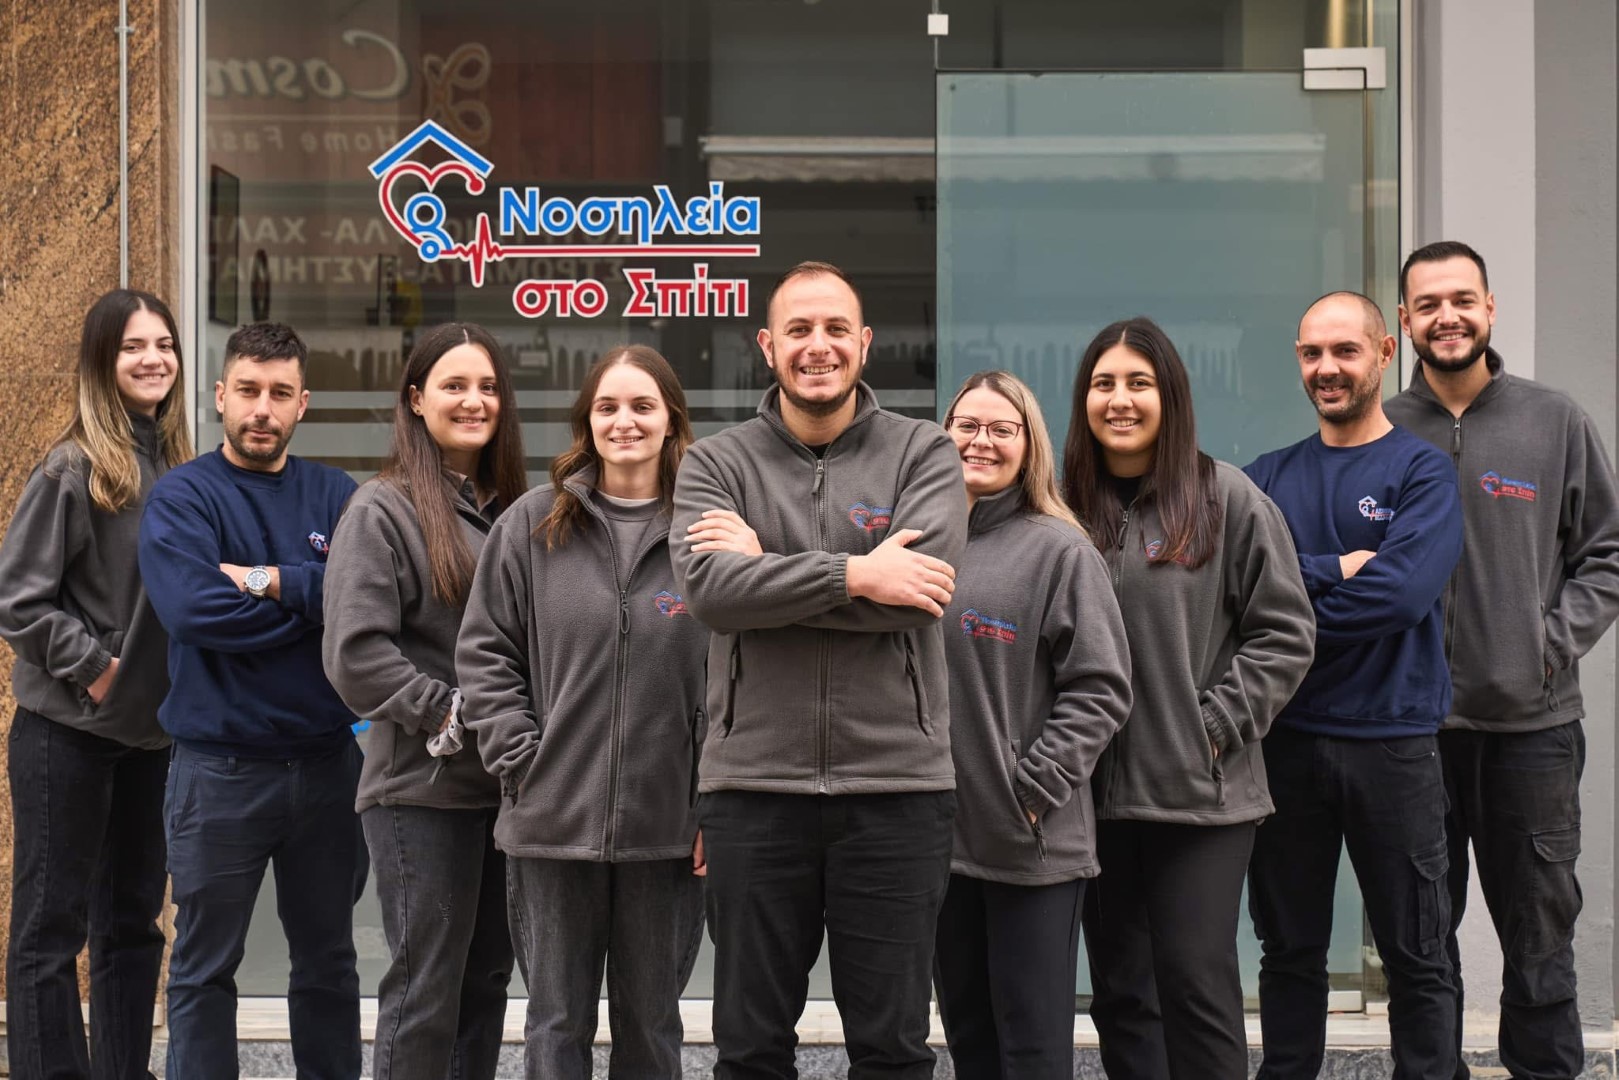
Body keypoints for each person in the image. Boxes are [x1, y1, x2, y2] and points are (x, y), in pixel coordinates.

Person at [670, 260, 969, 1079]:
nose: (818, 346)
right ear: (767, 346)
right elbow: (710, 592)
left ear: (864, 343)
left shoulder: (924, 453)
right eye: (797, 329)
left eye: (836, 328)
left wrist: (764, 570)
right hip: (752, 790)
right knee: (749, 1047)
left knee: (892, 1049)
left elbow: (920, 595)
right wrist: (859, 573)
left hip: (896, 789)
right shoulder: (715, 465)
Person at [1384, 241, 1619, 1080]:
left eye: (1461, 299)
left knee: (1539, 938)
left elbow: (1605, 555)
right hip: (1410, 735)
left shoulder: (1553, 421)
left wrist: (1545, 647)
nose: (1446, 317)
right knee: (1418, 942)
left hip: (1531, 730)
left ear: (1488, 308)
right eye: (1427, 304)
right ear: (1404, 320)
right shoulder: (1380, 431)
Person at [1064, 316, 1315, 1080]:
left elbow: (1285, 632)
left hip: (1199, 800)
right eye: (1103, 383)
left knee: (1195, 984)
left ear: (1168, 395)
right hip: (1092, 798)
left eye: (1138, 383)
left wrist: (1210, 726)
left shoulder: (1225, 498)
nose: (1119, 399)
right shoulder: (1062, 507)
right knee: (1120, 995)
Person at [457, 345, 707, 1079]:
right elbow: (484, 652)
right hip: (551, 825)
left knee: (652, 1027)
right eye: (607, 407)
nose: (624, 421)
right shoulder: (533, 525)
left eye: (642, 406)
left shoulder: (706, 534)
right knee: (556, 1024)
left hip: (668, 832)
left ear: (671, 420)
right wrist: (521, 763)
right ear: (586, 422)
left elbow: (739, 676)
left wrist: (712, 801)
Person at [137, 322, 367, 1080]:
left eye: (279, 393)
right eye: (247, 390)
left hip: (327, 769)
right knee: (204, 969)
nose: (261, 409)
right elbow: (193, 613)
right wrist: (312, 603)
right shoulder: (182, 497)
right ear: (219, 396)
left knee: (328, 963)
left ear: (303, 403)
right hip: (217, 774)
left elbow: (365, 605)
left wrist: (264, 580)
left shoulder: (337, 495)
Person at [1243, 292, 1463, 1080]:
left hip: (1393, 744)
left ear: (1383, 353)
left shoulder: (1422, 472)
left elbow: (1398, 597)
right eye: (1311, 353)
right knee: (1287, 950)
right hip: (1285, 742)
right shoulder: (1264, 479)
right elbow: (1232, 594)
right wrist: (1333, 568)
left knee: (1417, 951)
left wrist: (1286, 608)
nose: (1326, 368)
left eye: (1344, 350)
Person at [322, 324, 527, 1080]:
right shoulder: (382, 509)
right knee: (425, 990)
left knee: (486, 983)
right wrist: (451, 712)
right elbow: (355, 653)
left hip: (507, 792)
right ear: (415, 399)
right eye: (454, 386)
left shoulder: (516, 511)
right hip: (422, 790)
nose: (474, 401)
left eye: (488, 387)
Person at [0, 289, 192, 1080]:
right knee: (51, 930)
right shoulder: (72, 467)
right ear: (101, 362)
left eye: (164, 344)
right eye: (132, 346)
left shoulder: (178, 468)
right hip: (68, 735)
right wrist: (98, 669)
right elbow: (18, 600)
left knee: (134, 925)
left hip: (151, 737)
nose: (153, 359)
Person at [931, 370, 1133, 1080]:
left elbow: (1102, 685)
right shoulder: (916, 543)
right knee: (969, 1042)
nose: (980, 441)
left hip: (1030, 842)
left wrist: (1034, 786)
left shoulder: (1060, 550)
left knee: (1033, 1051)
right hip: (939, 845)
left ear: (1029, 445)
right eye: (967, 426)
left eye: (1001, 429)